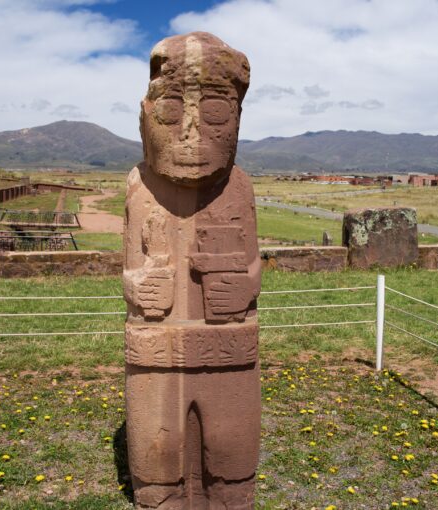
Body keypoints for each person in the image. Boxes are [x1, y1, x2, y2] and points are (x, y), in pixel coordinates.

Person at [122, 32, 261, 509]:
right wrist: (140, 288)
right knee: (157, 466)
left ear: (237, 120)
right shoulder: (140, 187)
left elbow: (252, 265)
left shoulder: (238, 187)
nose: (192, 134)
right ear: (147, 117)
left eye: (217, 114)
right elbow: (128, 272)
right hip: (156, 354)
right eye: (171, 112)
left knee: (232, 464)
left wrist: (243, 290)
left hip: (230, 352)